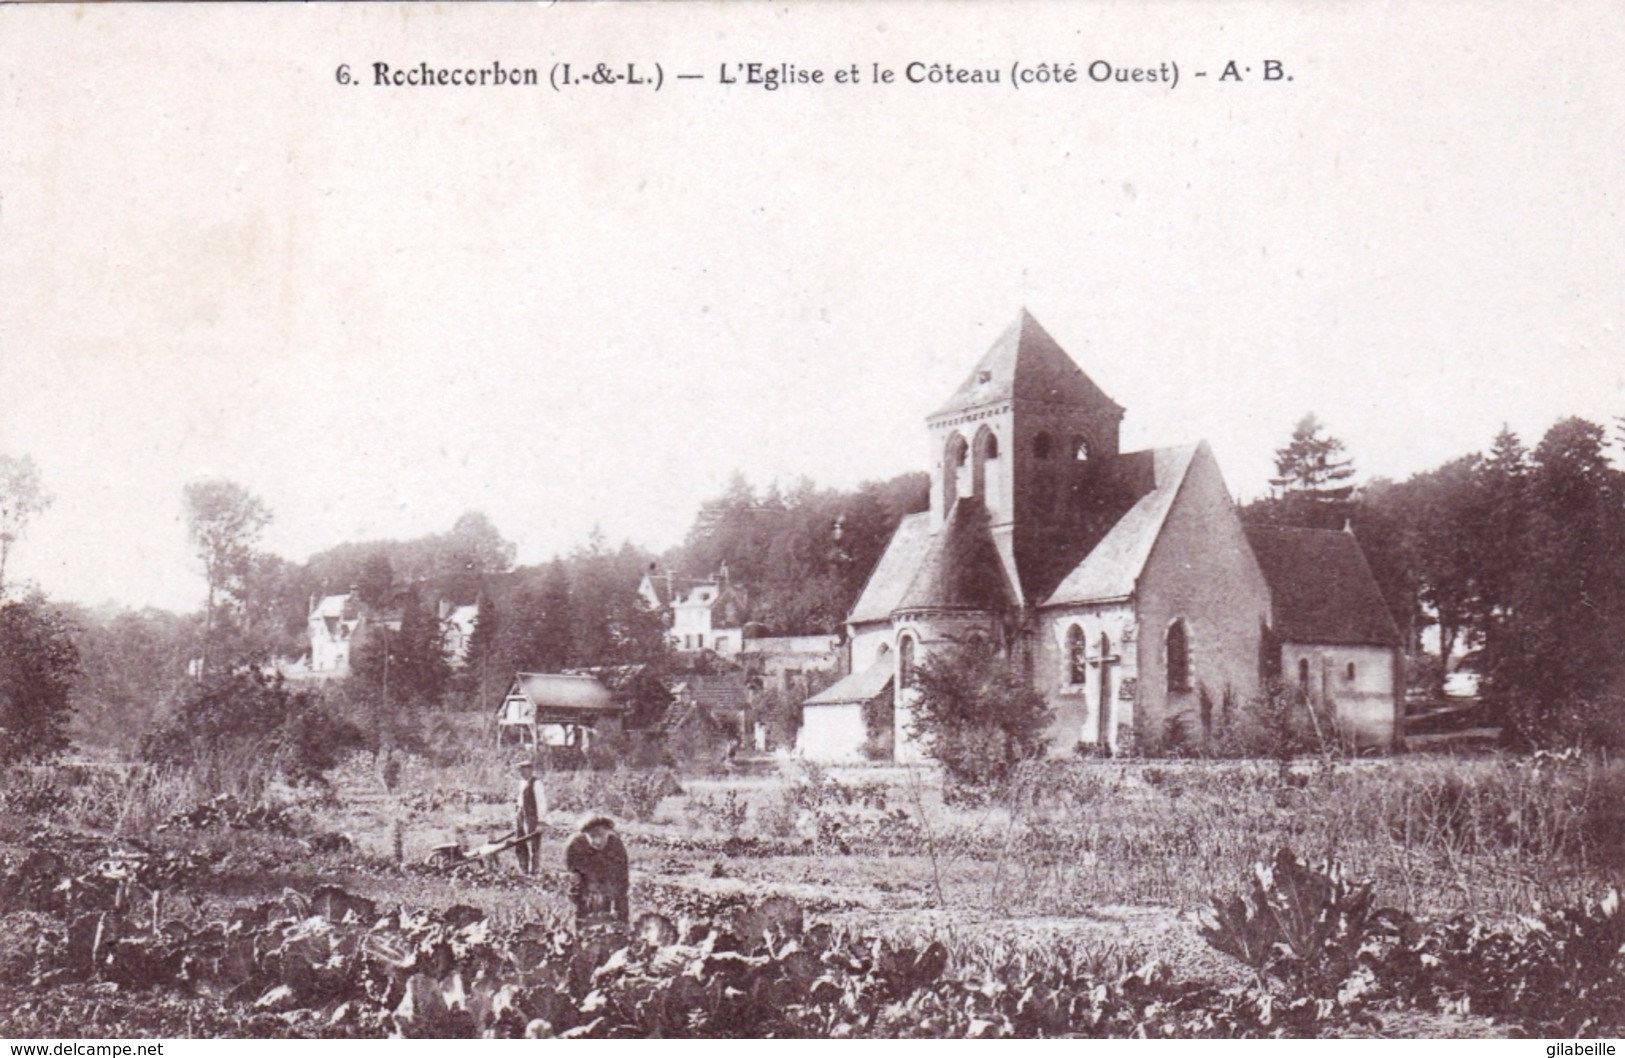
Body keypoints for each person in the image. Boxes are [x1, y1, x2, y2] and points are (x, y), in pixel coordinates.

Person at [564, 814, 629, 926]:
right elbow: (573, 876)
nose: (597, 841)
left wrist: (619, 912)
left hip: (608, 877)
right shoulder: (574, 846)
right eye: (592, 836)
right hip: (585, 878)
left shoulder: (616, 845)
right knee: (583, 909)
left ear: (609, 832)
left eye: (601, 835)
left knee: (614, 914)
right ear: (584, 834)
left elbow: (621, 880)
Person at [513, 760, 547, 875]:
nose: (522, 772)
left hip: (532, 817)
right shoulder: (521, 783)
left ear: (530, 770)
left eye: (525, 770)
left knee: (533, 844)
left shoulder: (536, 784)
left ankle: (534, 871)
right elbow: (520, 800)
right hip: (521, 814)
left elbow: (541, 803)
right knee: (519, 842)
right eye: (520, 770)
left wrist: (541, 822)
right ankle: (523, 869)